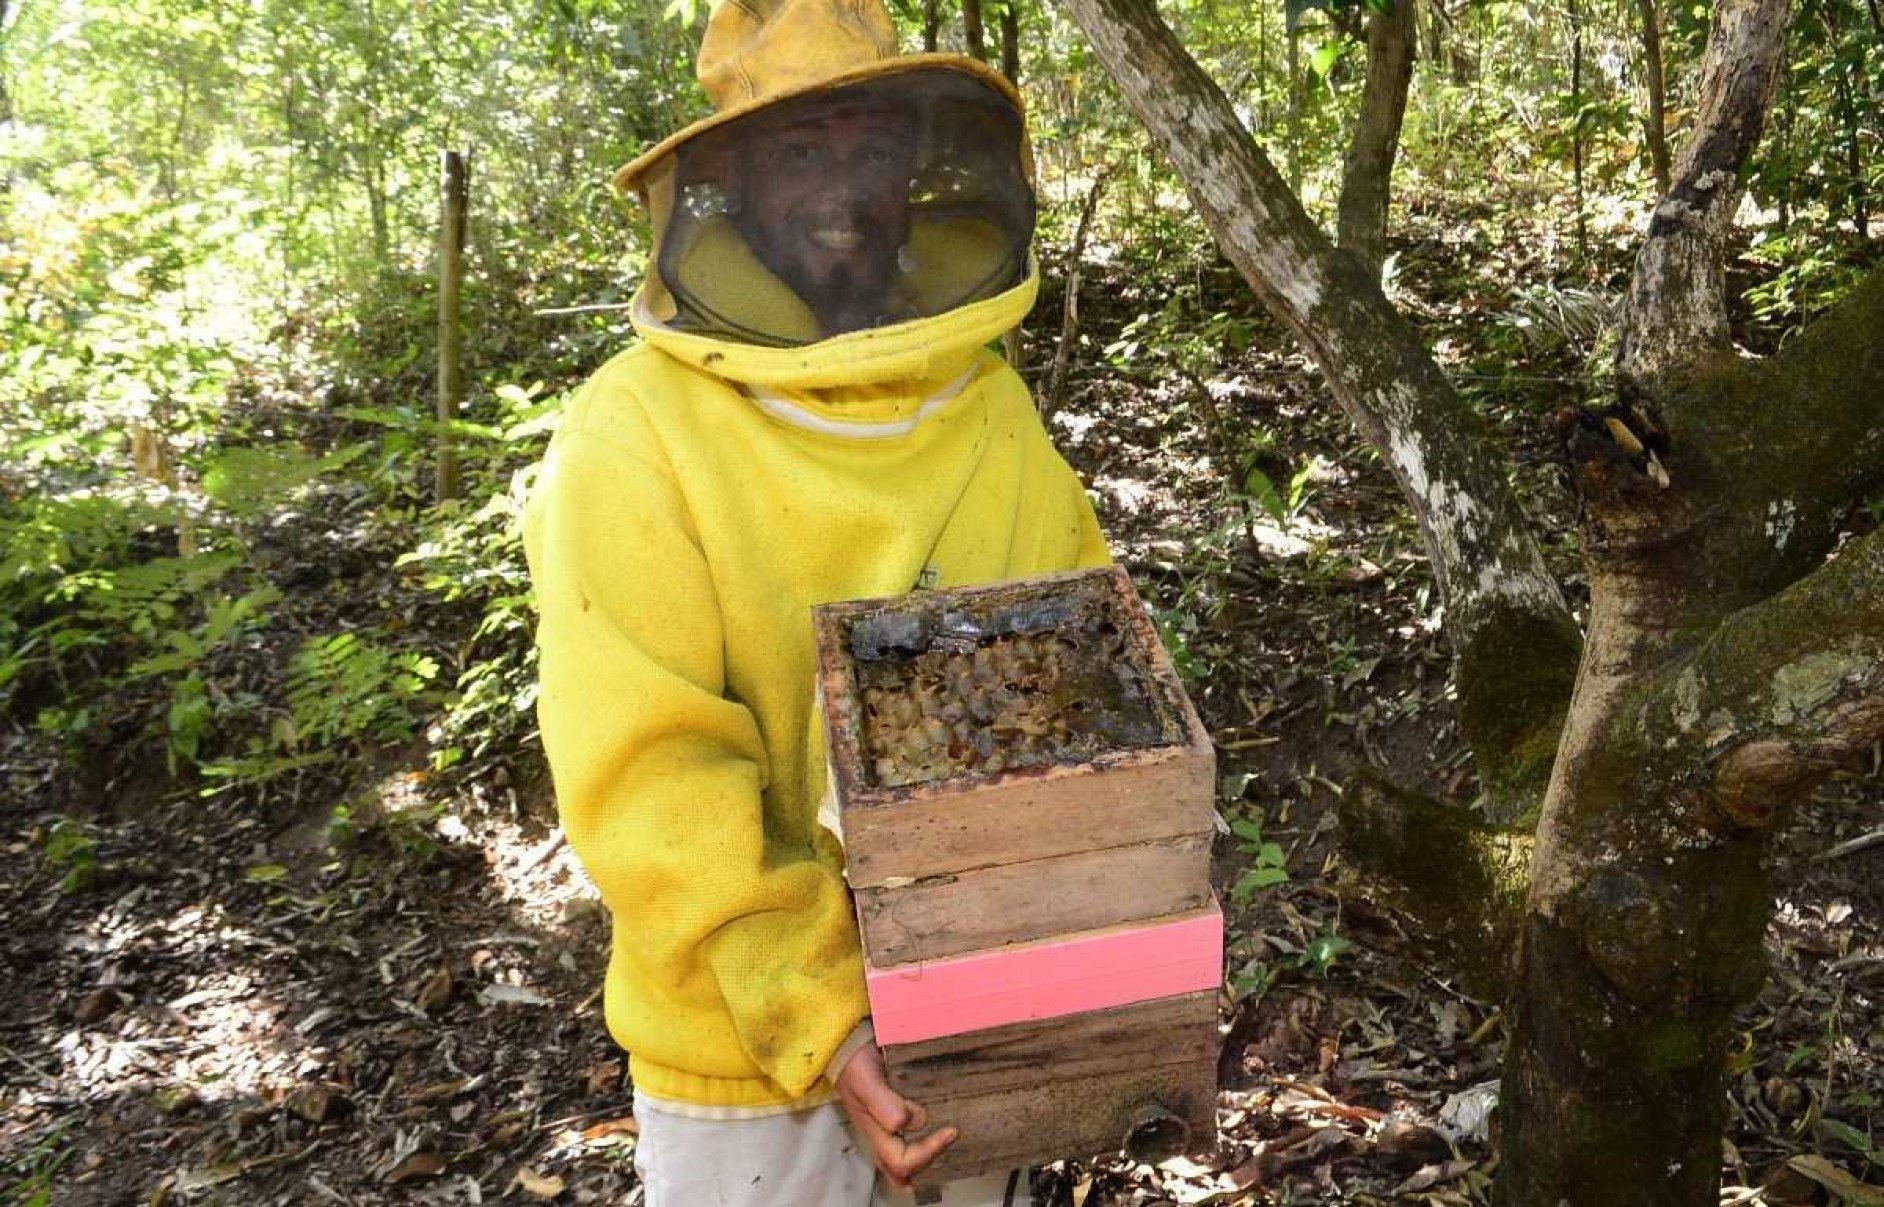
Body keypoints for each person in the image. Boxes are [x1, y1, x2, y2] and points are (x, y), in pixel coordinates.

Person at [522, 1, 1110, 1202]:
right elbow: (650, 770)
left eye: (866, 144)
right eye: (801, 150)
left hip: (966, 1014)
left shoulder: (990, 407)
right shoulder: (633, 430)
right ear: (728, 180)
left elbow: (1079, 668)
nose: (842, 185)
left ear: (914, 170)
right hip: (745, 1065)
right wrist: (829, 1017)